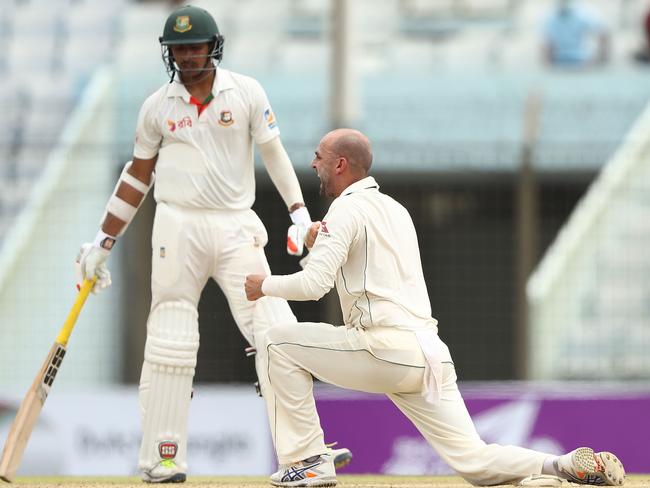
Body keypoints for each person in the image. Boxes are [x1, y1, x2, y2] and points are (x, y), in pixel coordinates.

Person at [244, 128, 626, 487]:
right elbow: (358, 266)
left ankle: (307, 460)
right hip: (429, 354)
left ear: (340, 164)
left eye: (319, 157)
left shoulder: (344, 211)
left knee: (277, 342)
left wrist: (264, 286)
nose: (313, 164)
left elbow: (313, 286)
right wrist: (318, 241)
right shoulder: (395, 209)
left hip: (383, 348)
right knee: (474, 461)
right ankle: (560, 464)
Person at [76, 5, 350, 483]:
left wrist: (300, 213)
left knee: (275, 331)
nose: (185, 56)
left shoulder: (245, 93)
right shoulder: (157, 107)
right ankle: (162, 459)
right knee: (170, 341)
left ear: (213, 46)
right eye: (177, 48)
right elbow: (136, 178)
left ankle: (306, 454)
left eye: (193, 46)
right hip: (176, 228)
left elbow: (276, 155)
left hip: (235, 226)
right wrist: (103, 241)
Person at [542, 0, 609, 67]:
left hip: (580, 60)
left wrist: (601, 58)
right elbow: (547, 43)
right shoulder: (551, 17)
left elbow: (603, 32)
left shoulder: (582, 13)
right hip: (559, 61)